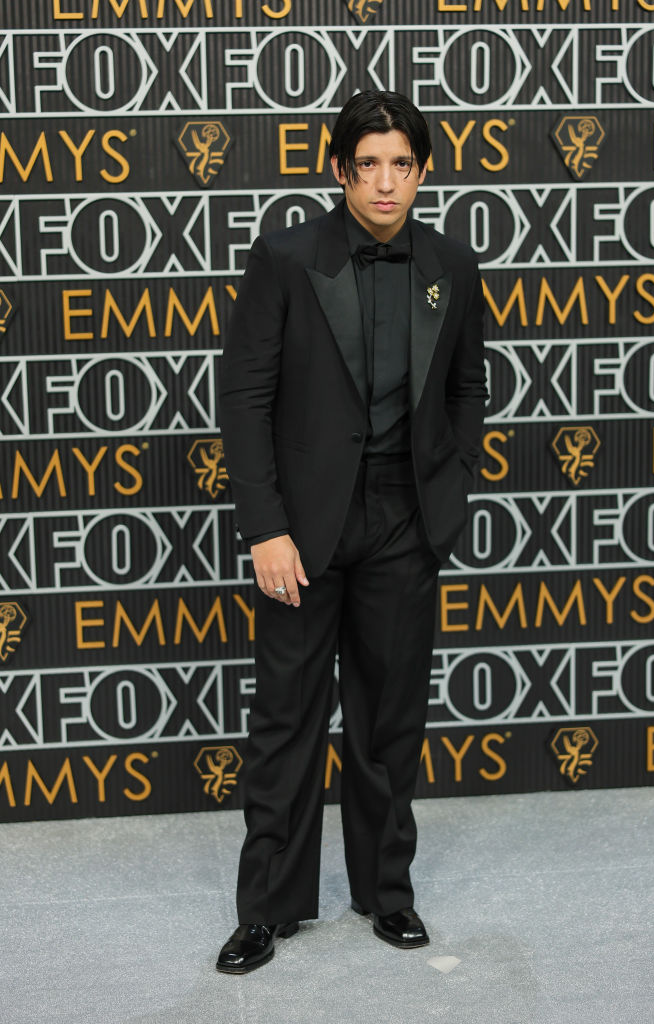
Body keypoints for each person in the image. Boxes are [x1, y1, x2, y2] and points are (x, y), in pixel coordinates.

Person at [215, 90, 487, 974]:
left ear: (421, 171)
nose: (383, 182)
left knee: (386, 721)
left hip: (403, 520)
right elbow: (246, 399)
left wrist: (447, 491)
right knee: (287, 718)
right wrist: (265, 528)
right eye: (366, 164)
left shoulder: (451, 260)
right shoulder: (286, 257)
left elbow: (465, 388)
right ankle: (267, 910)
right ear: (338, 171)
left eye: (400, 165)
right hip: (302, 525)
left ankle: (385, 894)